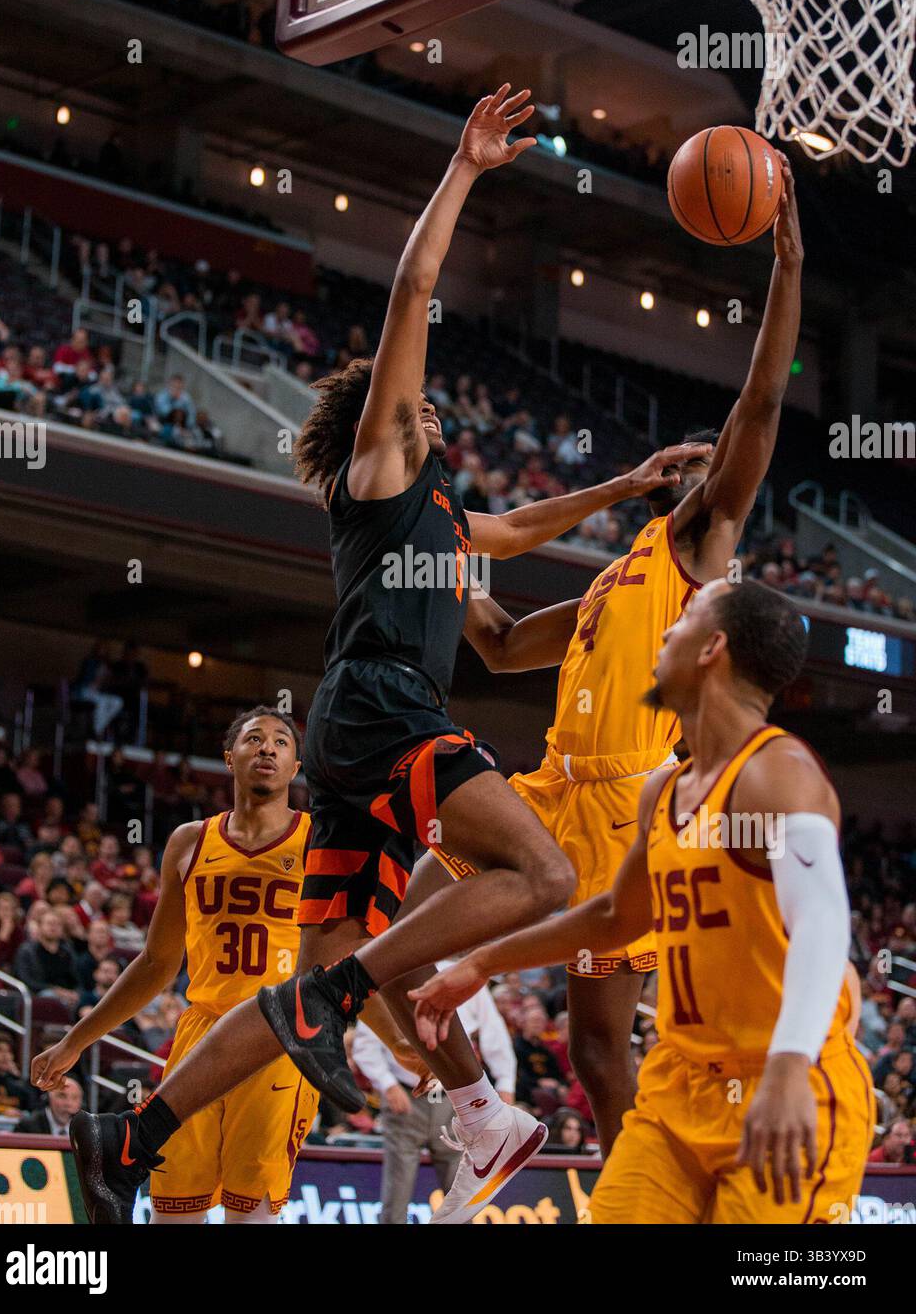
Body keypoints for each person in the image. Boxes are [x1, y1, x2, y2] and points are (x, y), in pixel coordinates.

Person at [56, 86, 703, 1227]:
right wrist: (463, 168)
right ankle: (363, 1022)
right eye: (423, 407)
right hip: (380, 708)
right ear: (391, 418)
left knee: (337, 966)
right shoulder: (382, 473)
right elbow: (412, 290)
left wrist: (622, 526)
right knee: (547, 876)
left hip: (361, 733)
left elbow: (505, 628)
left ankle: (134, 1134)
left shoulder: (445, 528)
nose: (439, 417)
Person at [454, 154, 804, 1161]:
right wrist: (431, 544)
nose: (699, 466)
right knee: (566, 1026)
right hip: (551, 790)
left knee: (600, 1047)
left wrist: (785, 259)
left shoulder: (697, 555)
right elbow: (503, 641)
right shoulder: (622, 573)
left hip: (621, 805)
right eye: (689, 457)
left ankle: (634, 1181)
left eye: (709, 460)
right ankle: (486, 1109)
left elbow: (762, 411)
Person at [412, 580, 875, 1224]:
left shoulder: (777, 771)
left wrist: (792, 1069)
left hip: (783, 1075)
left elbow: (825, 926)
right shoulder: (665, 792)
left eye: (681, 625)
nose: (663, 634)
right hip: (679, 1087)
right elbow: (613, 918)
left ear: (713, 649)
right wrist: (483, 962)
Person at [32, 709, 316, 1223]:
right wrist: (77, 1038)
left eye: (281, 742)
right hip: (200, 1038)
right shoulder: (190, 841)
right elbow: (158, 961)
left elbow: (354, 949)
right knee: (173, 1211)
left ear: (296, 765)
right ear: (231, 759)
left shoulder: (318, 840)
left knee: (251, 1216)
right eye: (255, 739)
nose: (268, 748)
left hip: (278, 1037)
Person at [350, 960, 516, 1224]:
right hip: (407, 1096)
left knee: (459, 1191)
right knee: (397, 1189)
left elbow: (494, 1034)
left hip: (455, 1099)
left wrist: (506, 1084)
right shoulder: (394, 971)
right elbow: (365, 1043)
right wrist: (387, 1084)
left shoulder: (463, 972)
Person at [15, 1075, 83, 1136]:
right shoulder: (27, 1127)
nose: (68, 1103)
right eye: (62, 1096)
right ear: (49, 1098)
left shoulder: (85, 1130)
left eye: (75, 1097)